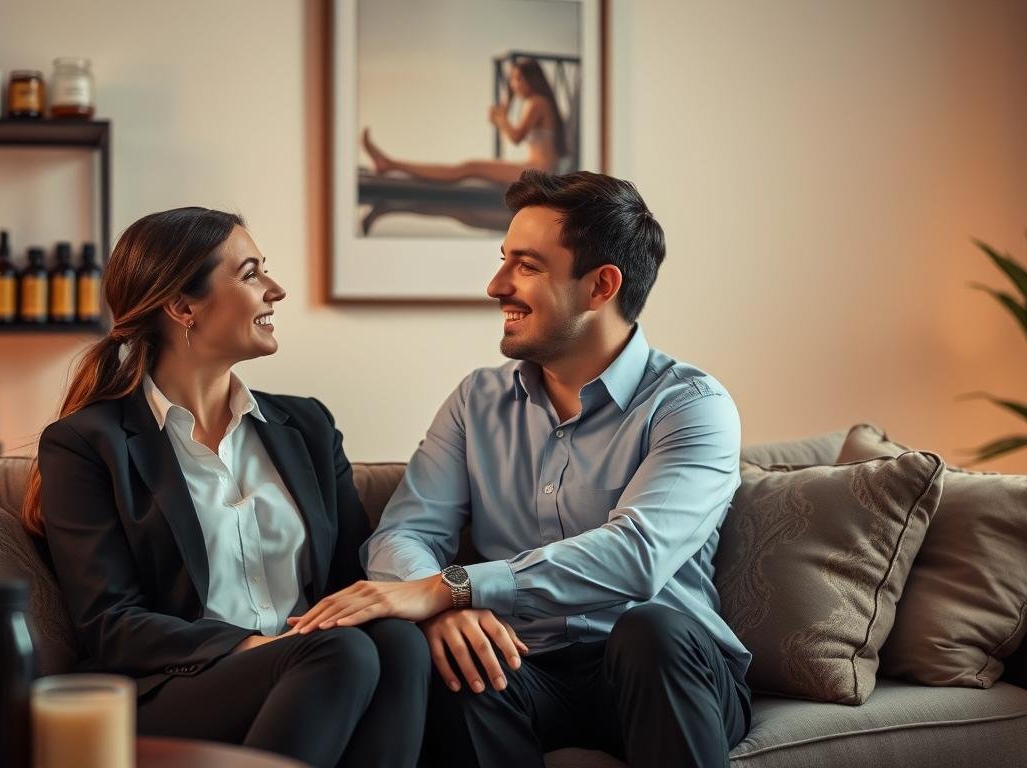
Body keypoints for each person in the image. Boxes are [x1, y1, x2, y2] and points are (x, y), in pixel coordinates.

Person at [288, 171, 752, 767]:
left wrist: (452, 587)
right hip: (524, 663)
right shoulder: (476, 401)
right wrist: (445, 613)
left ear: (600, 286)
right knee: (460, 670)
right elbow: (404, 532)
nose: (495, 285)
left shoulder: (692, 405)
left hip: (667, 671)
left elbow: (637, 556)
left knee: (651, 631)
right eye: (503, 260)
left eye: (527, 266)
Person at [24, 206, 429, 768]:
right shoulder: (88, 443)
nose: (276, 290)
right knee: (340, 653)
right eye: (250, 273)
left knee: (399, 643)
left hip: (322, 664)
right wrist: (260, 648)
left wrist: (442, 602)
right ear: (182, 306)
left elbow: (351, 582)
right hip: (174, 685)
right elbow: (111, 622)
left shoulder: (307, 427)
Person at [361, 58, 566, 185]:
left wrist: (501, 120)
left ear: (532, 79)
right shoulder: (539, 102)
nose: (514, 85)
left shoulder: (536, 102)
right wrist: (500, 121)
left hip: (540, 172)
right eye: (513, 79)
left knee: (468, 168)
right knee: (468, 167)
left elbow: (516, 138)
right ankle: (391, 164)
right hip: (535, 168)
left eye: (518, 79)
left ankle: (391, 164)